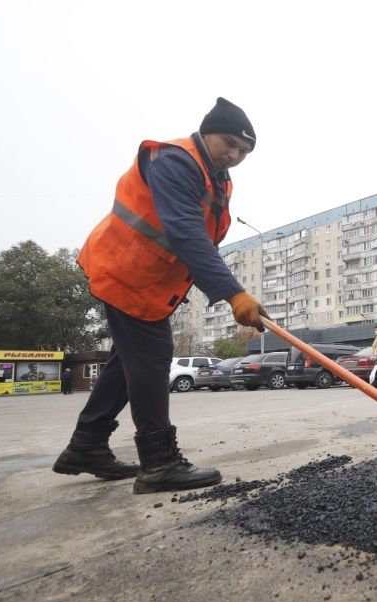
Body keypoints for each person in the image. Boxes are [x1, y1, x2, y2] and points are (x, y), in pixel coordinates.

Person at [53, 97, 263, 494]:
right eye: (229, 143)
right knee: (150, 358)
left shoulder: (215, 175)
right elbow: (185, 232)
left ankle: (87, 445)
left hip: (146, 280)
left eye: (244, 151)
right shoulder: (176, 161)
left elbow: (200, 238)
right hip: (125, 270)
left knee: (125, 362)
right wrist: (233, 293)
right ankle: (159, 463)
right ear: (206, 132)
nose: (234, 154)